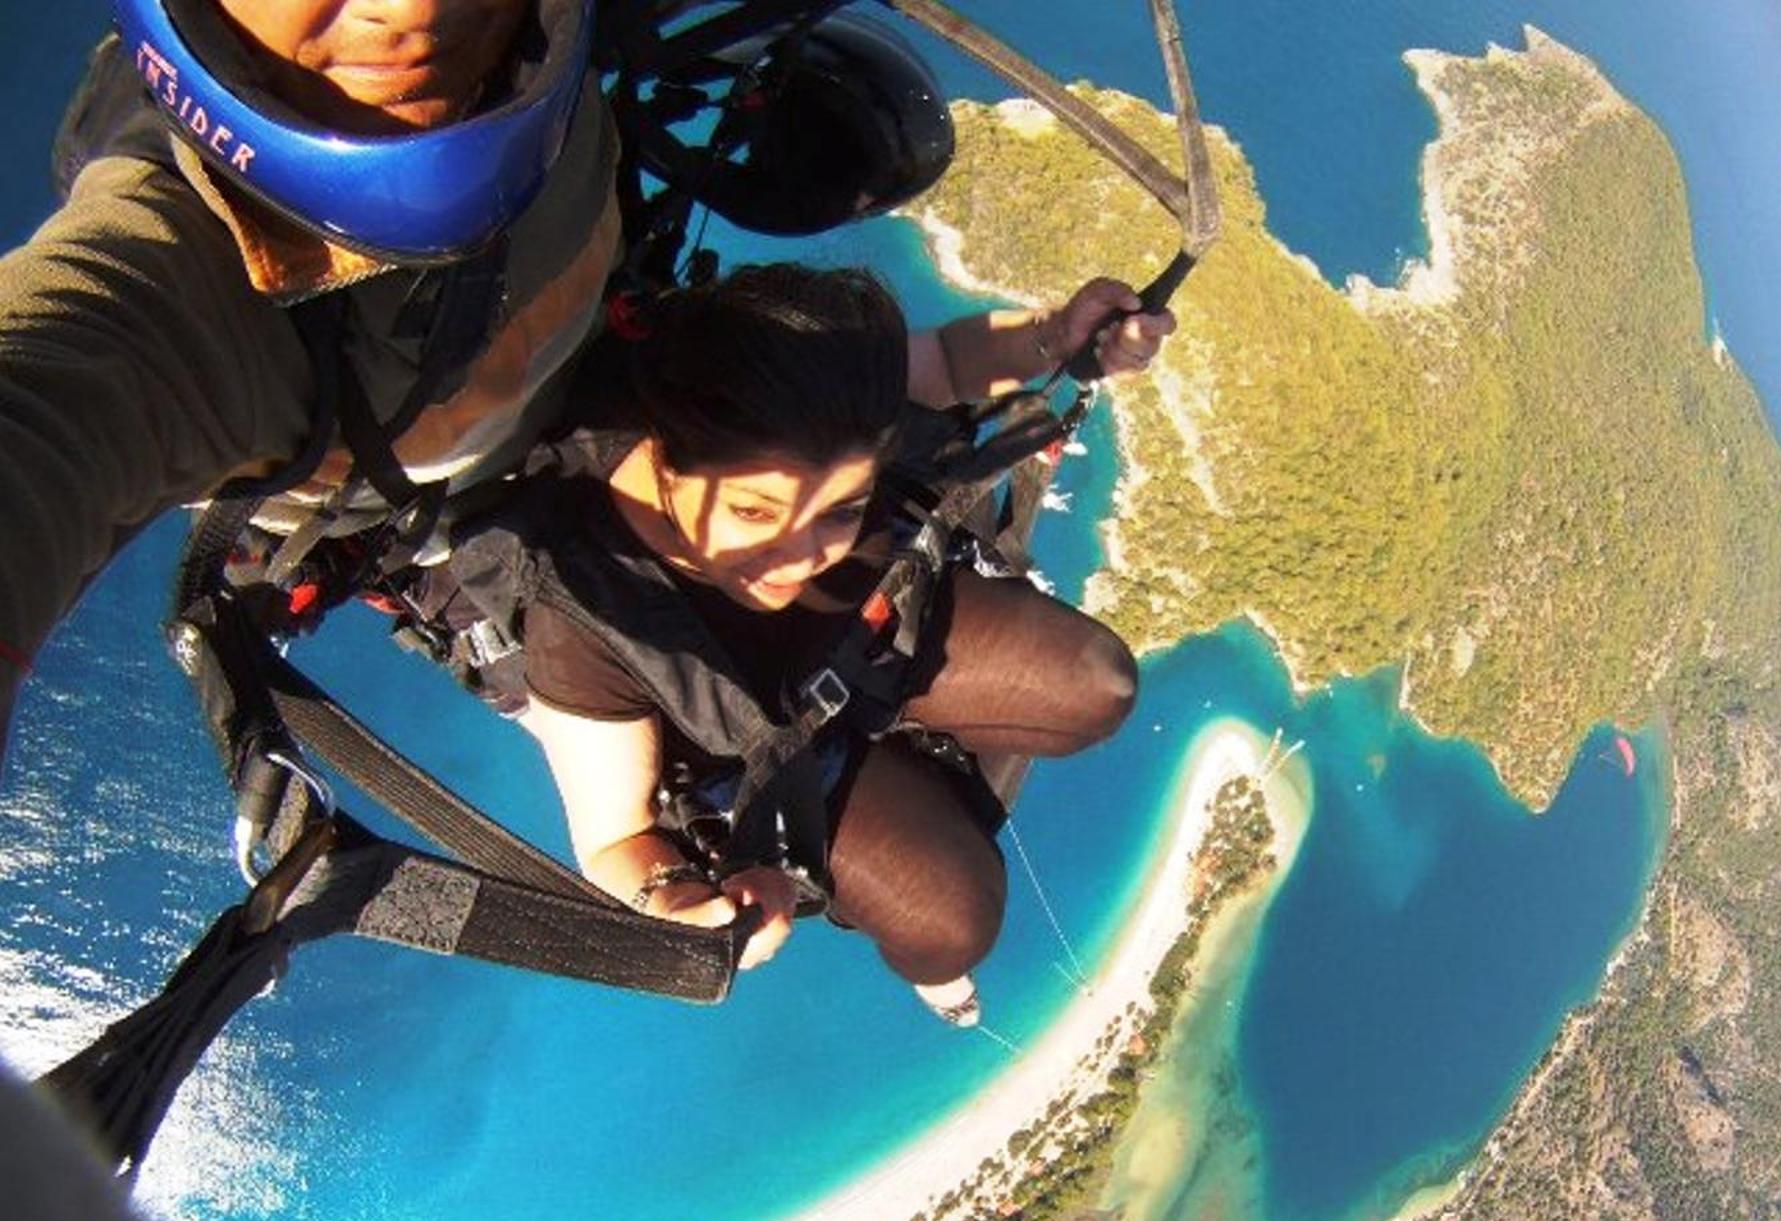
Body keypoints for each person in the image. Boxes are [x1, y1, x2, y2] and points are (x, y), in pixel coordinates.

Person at [0, 0, 956, 764]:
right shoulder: (180, 265)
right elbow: (52, 390)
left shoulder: (538, 38)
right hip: (481, 538)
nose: (407, 7)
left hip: (636, 414)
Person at [454, 261, 1172, 1022]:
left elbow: (958, 364)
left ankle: (909, 763)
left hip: (870, 626)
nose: (798, 559)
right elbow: (615, 840)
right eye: (757, 514)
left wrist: (1060, 336)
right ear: (665, 457)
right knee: (949, 926)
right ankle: (920, 927)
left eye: (840, 511)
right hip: (759, 743)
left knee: (1100, 686)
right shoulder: (582, 614)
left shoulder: (819, 402)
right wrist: (677, 903)